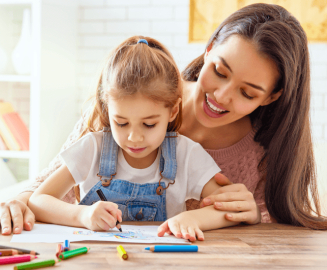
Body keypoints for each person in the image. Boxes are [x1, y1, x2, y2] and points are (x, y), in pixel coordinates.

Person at [0, 3, 327, 236]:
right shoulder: (135, 94)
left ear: (272, 96)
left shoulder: (261, 152)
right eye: (219, 71)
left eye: (248, 93)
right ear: (208, 50)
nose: (222, 95)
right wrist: (17, 203)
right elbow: (46, 185)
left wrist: (250, 217)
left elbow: (270, 234)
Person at [28, 37, 238, 241]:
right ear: (107, 109)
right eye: (121, 123)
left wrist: (194, 218)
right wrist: (81, 215)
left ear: (173, 111)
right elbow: (38, 201)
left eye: (149, 124)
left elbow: (229, 209)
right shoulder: (93, 148)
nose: (134, 138)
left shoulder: (186, 154)